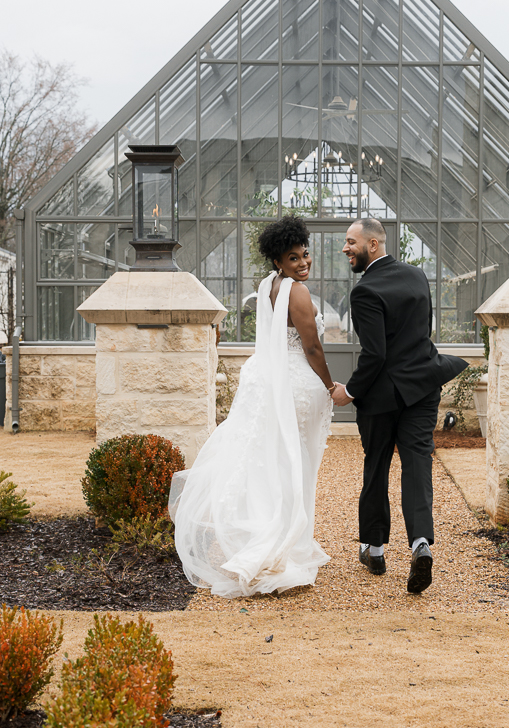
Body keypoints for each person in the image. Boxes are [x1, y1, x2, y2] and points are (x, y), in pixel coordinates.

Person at [169, 215, 335, 598]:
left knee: (271, 462)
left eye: (305, 254)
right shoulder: (298, 292)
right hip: (294, 383)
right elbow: (311, 347)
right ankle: (281, 545)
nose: (303, 262)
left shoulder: (267, 286)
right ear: (279, 261)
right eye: (293, 258)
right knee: (295, 463)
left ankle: (273, 537)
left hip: (267, 379)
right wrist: (330, 385)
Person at [330, 218, 468, 594]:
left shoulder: (365, 291)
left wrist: (350, 392)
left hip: (381, 397)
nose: (346, 248)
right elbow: (421, 332)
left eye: (350, 242)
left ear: (373, 244)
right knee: (418, 463)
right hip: (423, 387)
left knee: (376, 467)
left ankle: (375, 550)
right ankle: (420, 543)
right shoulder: (417, 276)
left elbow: (375, 355)